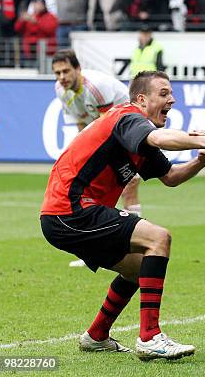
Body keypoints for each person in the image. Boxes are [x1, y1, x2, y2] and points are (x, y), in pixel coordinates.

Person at [40, 70, 205, 360]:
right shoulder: (127, 117)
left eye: (171, 93)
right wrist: (202, 139)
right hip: (70, 210)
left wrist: (201, 161)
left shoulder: (140, 138)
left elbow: (170, 176)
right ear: (140, 99)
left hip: (71, 214)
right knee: (159, 238)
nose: (172, 99)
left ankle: (96, 336)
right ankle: (150, 337)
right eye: (163, 93)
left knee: (138, 268)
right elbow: (159, 137)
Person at [52, 49, 138, 267]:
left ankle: (131, 241)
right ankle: (92, 248)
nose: (62, 77)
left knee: (128, 185)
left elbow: (108, 127)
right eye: (57, 73)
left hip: (128, 130)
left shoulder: (96, 87)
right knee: (93, 191)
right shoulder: (61, 91)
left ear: (78, 69)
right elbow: (83, 127)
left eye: (66, 71)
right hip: (108, 132)